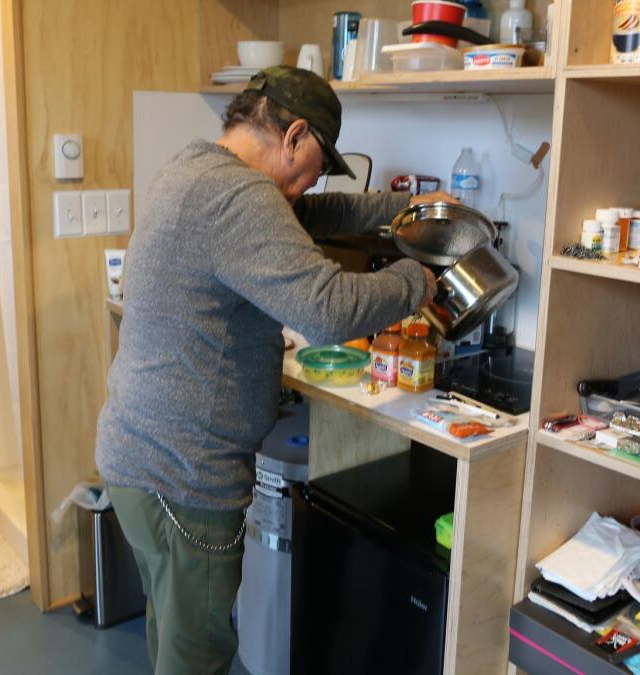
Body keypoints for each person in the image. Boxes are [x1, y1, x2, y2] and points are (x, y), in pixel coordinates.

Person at [95, 66, 450, 674]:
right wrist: (416, 280)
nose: (313, 183)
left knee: (176, 640)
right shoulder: (242, 197)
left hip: (141, 460)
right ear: (295, 137)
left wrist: (408, 209)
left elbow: (319, 214)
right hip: (185, 478)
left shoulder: (198, 168)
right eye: (318, 164)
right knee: (198, 657)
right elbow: (329, 310)